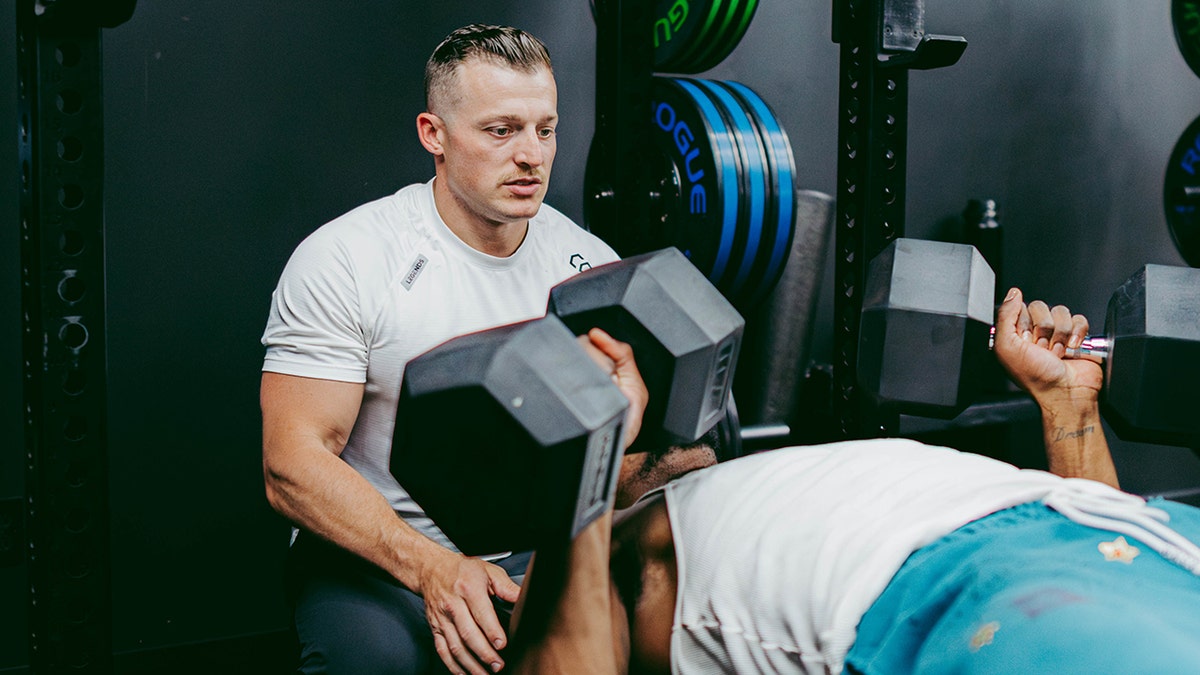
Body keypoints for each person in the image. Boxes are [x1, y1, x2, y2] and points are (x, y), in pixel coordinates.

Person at [259, 24, 693, 675]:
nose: (532, 155)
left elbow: (613, 466)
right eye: (502, 130)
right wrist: (433, 567)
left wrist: (676, 459)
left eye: (545, 130)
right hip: (383, 555)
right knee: (375, 662)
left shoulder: (586, 265)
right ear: (433, 134)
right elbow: (290, 464)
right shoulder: (347, 259)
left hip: (542, 545)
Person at [507, 289, 1200, 674]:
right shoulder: (632, 548)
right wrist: (584, 453)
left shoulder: (744, 484)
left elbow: (1101, 526)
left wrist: (1068, 404)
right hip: (959, 597)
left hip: (1120, 539)